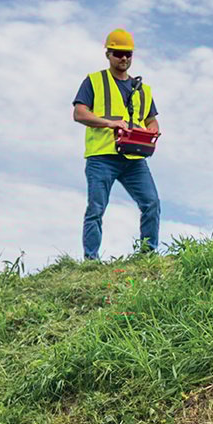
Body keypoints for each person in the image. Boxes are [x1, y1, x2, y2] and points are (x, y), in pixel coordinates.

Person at [72, 28, 161, 257]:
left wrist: (151, 131)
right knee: (96, 209)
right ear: (108, 54)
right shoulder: (94, 81)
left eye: (128, 54)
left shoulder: (143, 89)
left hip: (133, 158)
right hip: (102, 157)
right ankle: (91, 261)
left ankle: (147, 255)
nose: (123, 58)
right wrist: (109, 124)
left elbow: (152, 121)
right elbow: (79, 114)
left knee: (151, 203)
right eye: (118, 53)